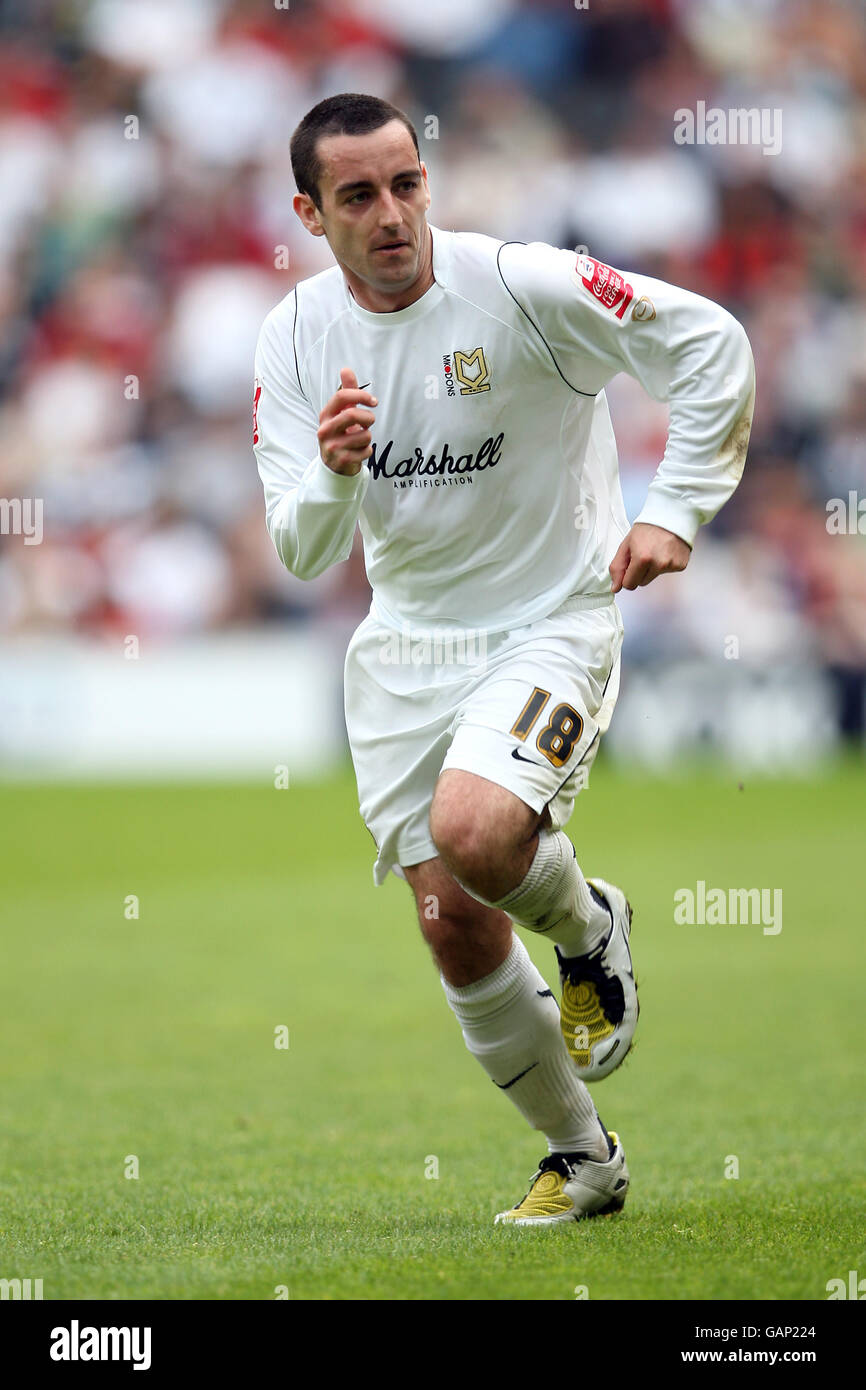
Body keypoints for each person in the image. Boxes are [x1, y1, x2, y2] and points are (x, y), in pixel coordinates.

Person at [253, 93, 755, 1226]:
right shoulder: (290, 336)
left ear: (427, 178)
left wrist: (674, 504)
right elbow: (300, 547)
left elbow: (706, 341)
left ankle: (587, 928)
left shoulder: (521, 284)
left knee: (481, 831)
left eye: (406, 183)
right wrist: (333, 470)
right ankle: (583, 1157)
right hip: (404, 646)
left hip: (549, 618)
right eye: (357, 196)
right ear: (309, 213)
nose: (391, 214)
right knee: (452, 919)